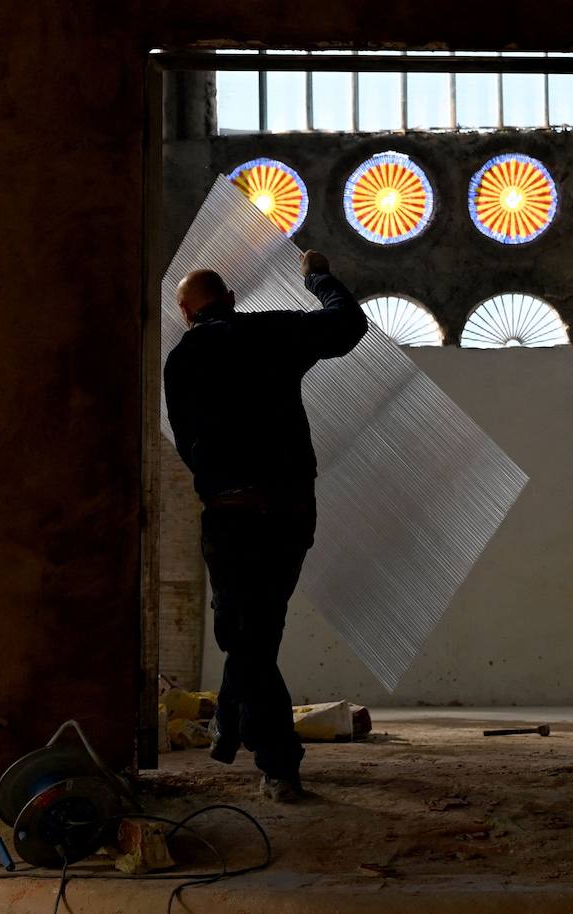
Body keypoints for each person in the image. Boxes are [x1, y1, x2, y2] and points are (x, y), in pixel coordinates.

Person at [163, 251, 368, 802]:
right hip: (293, 511)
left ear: (186, 313)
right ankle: (231, 729)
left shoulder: (183, 360)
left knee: (246, 638)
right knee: (260, 630)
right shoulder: (275, 332)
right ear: (231, 300)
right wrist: (319, 275)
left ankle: (278, 763)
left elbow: (189, 446)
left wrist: (221, 484)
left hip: (232, 514)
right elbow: (349, 324)